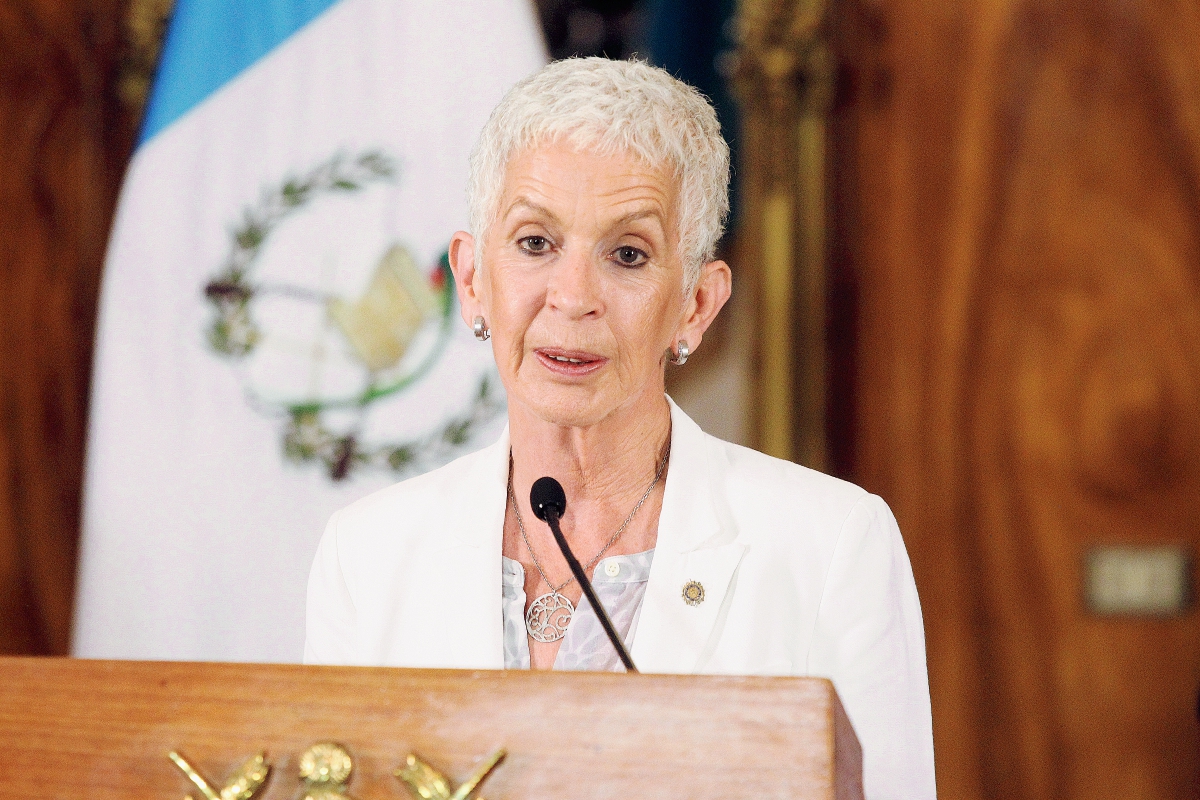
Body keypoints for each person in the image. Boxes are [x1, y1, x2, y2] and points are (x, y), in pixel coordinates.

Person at [305, 57, 935, 799]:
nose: (573, 297)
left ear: (696, 304)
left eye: (627, 254)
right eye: (535, 243)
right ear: (473, 281)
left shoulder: (832, 546)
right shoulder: (368, 554)